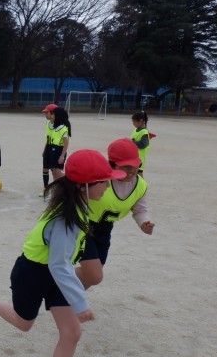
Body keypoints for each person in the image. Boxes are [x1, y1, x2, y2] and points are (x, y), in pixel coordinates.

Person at [0, 149, 126, 357]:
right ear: (84, 185)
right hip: (31, 274)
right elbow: (59, 265)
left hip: (56, 277)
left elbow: (60, 267)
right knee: (24, 324)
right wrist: (80, 303)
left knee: (72, 332)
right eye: (104, 181)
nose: (108, 186)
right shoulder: (67, 218)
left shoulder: (77, 204)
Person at [75, 138, 155, 288]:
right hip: (83, 225)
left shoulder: (141, 186)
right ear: (111, 164)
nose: (130, 172)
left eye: (134, 166)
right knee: (94, 275)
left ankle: (65, 294)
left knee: (94, 275)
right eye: (125, 167)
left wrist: (144, 222)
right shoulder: (100, 179)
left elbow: (140, 209)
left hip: (104, 230)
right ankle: (59, 287)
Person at [41, 105, 71, 196]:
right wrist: (45, 149)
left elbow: (66, 143)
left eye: (52, 114)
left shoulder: (62, 128)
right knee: (54, 172)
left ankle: (71, 180)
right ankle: (53, 190)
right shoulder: (54, 126)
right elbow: (49, 138)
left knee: (57, 173)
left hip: (58, 150)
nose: (51, 116)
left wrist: (62, 156)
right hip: (52, 148)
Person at [39, 103, 58, 196]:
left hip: (56, 148)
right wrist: (45, 149)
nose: (45, 115)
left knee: (55, 171)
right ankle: (46, 188)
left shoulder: (59, 125)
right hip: (48, 147)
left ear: (53, 113)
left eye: (47, 113)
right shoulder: (47, 123)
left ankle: (56, 189)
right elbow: (48, 138)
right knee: (45, 168)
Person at [130, 111, 150, 176]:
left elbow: (143, 144)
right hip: (134, 157)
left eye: (134, 122)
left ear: (141, 121)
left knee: (139, 175)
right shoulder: (135, 130)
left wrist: (132, 142)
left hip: (139, 159)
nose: (133, 124)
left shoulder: (144, 132)